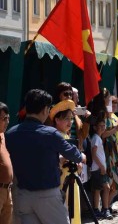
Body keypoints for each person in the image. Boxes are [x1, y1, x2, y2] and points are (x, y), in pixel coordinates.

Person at [5, 89, 85, 224]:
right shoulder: (50, 133)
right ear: (44, 110)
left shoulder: (11, 134)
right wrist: (81, 155)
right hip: (47, 195)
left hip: (22, 195)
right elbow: (75, 155)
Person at [49, 99, 86, 224]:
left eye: (71, 118)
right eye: (66, 118)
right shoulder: (56, 136)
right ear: (57, 120)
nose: (69, 122)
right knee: (64, 211)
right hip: (61, 180)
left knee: (73, 210)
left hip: (72, 177)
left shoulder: (67, 137)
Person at [90, 117, 113, 219]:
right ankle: (97, 209)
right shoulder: (95, 138)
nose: (103, 128)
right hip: (97, 168)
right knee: (99, 189)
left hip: (100, 168)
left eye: (104, 126)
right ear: (95, 127)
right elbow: (94, 154)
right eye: (100, 126)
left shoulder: (99, 138)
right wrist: (101, 166)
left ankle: (104, 209)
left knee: (104, 188)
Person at [0, 102, 12, 224]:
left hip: (7, 190)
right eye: (4, 118)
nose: (7, 122)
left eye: (8, 118)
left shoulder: (3, 135)